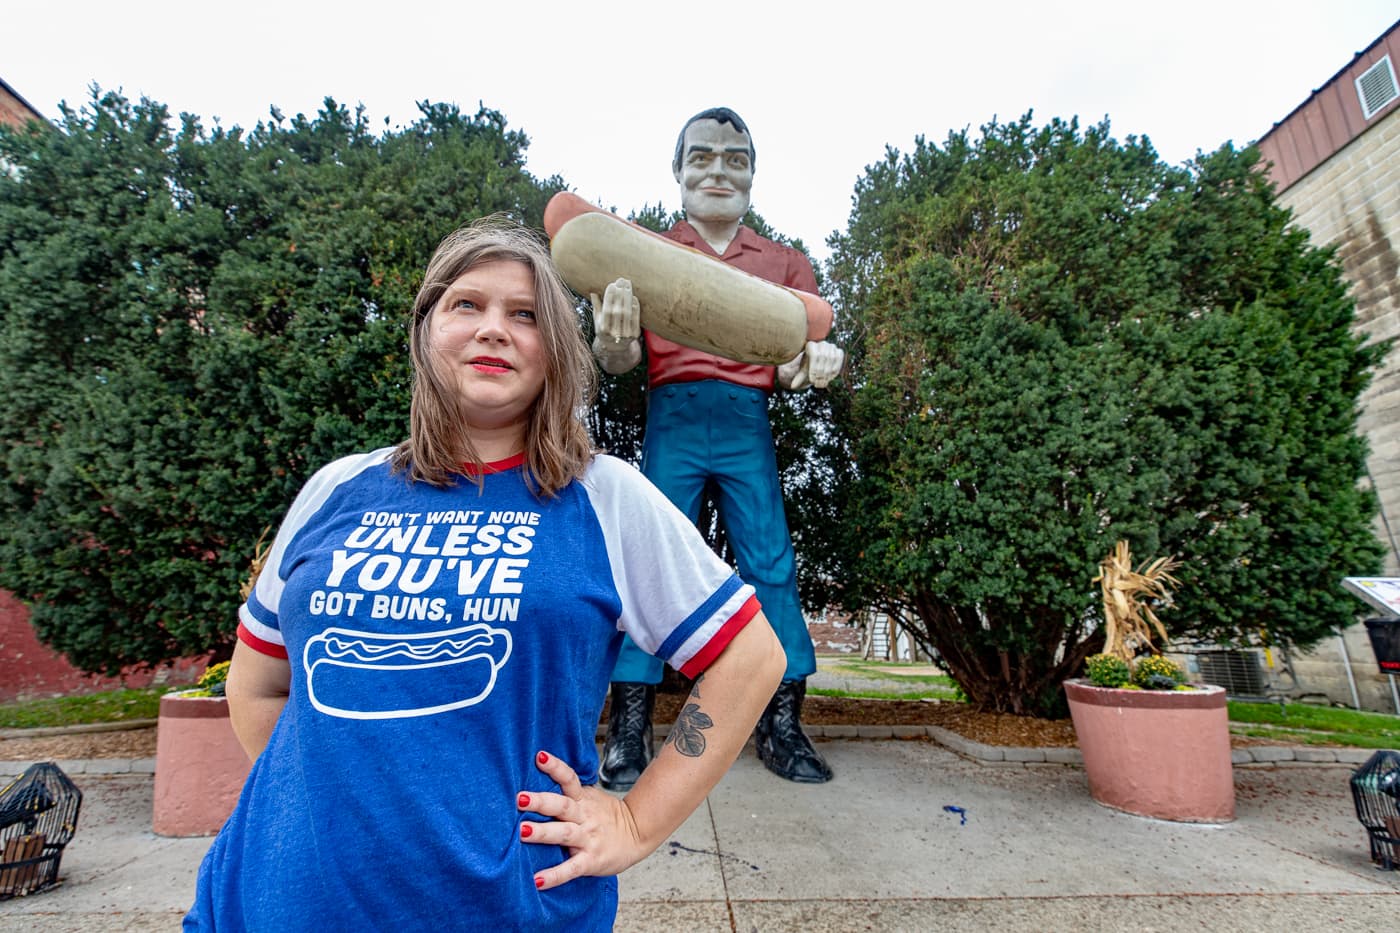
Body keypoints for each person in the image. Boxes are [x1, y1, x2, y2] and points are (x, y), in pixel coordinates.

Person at [184, 217, 785, 932]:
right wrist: (325, 797)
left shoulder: (605, 495)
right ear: (426, 331)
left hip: (500, 909)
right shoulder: (336, 487)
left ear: (553, 351)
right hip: (267, 903)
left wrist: (634, 819)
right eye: (466, 304)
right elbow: (256, 682)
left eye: (524, 315)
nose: (493, 328)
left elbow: (751, 657)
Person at [591, 107, 843, 789]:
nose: (718, 171)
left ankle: (783, 723)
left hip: (743, 419)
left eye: (735, 160)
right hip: (672, 412)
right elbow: (616, 361)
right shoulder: (646, 250)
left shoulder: (786, 263)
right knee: (646, 561)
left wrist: (813, 362)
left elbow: (794, 360)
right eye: (701, 157)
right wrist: (611, 333)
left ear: (753, 175)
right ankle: (629, 726)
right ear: (677, 172)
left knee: (770, 559)